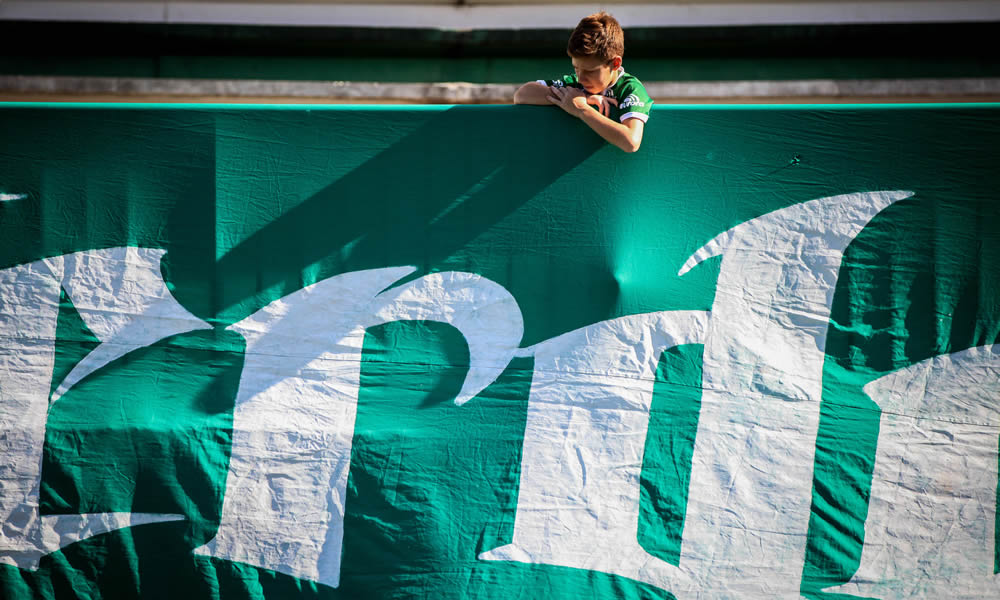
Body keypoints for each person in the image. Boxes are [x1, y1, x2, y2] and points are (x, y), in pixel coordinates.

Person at [513, 11, 653, 153]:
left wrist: (581, 109)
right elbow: (522, 94)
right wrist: (583, 98)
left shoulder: (630, 88)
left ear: (615, 63)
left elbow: (630, 142)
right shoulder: (575, 84)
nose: (580, 78)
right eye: (576, 68)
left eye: (590, 71)